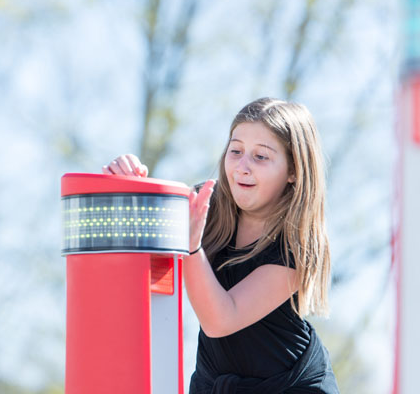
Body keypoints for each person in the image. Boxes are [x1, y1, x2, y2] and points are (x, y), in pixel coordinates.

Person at [103, 97, 340, 393]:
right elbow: (136, 235)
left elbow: (221, 319)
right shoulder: (204, 205)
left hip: (289, 385)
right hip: (214, 382)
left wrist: (192, 248)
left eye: (261, 157)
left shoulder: (299, 243)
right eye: (236, 150)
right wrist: (128, 184)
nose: (242, 166)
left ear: (293, 171)